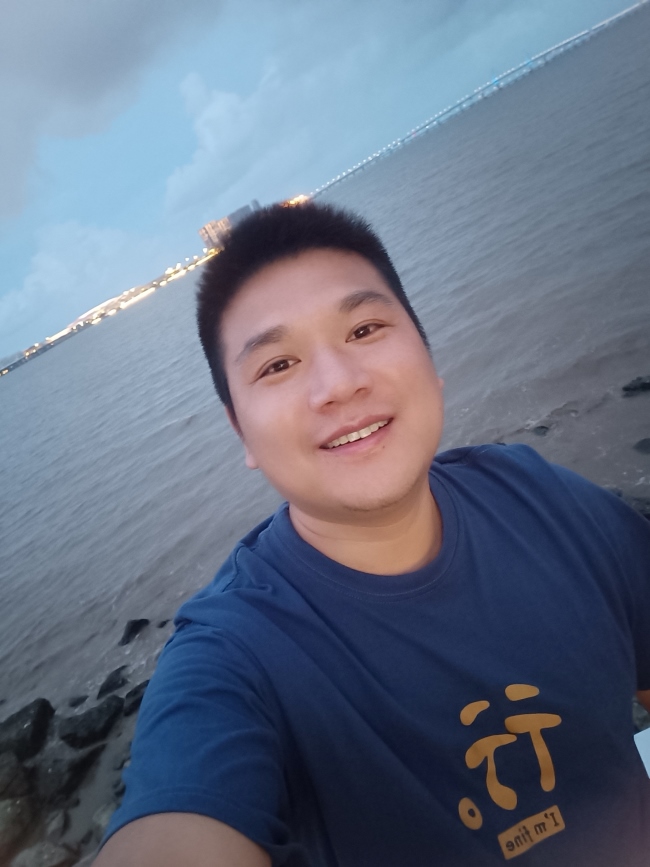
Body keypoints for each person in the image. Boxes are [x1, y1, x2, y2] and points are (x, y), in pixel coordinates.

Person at [95, 201, 650, 867]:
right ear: (241, 431)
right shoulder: (238, 655)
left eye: (364, 329)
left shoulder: (540, 498)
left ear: (428, 353)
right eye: (277, 365)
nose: (338, 384)